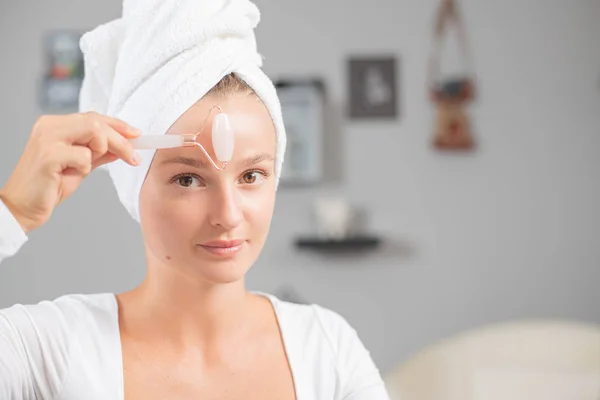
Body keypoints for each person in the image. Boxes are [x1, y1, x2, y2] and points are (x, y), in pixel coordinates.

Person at [0, 1, 390, 400]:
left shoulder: (326, 350)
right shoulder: (48, 352)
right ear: (132, 183)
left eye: (251, 176)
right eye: (188, 179)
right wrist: (11, 212)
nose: (228, 215)